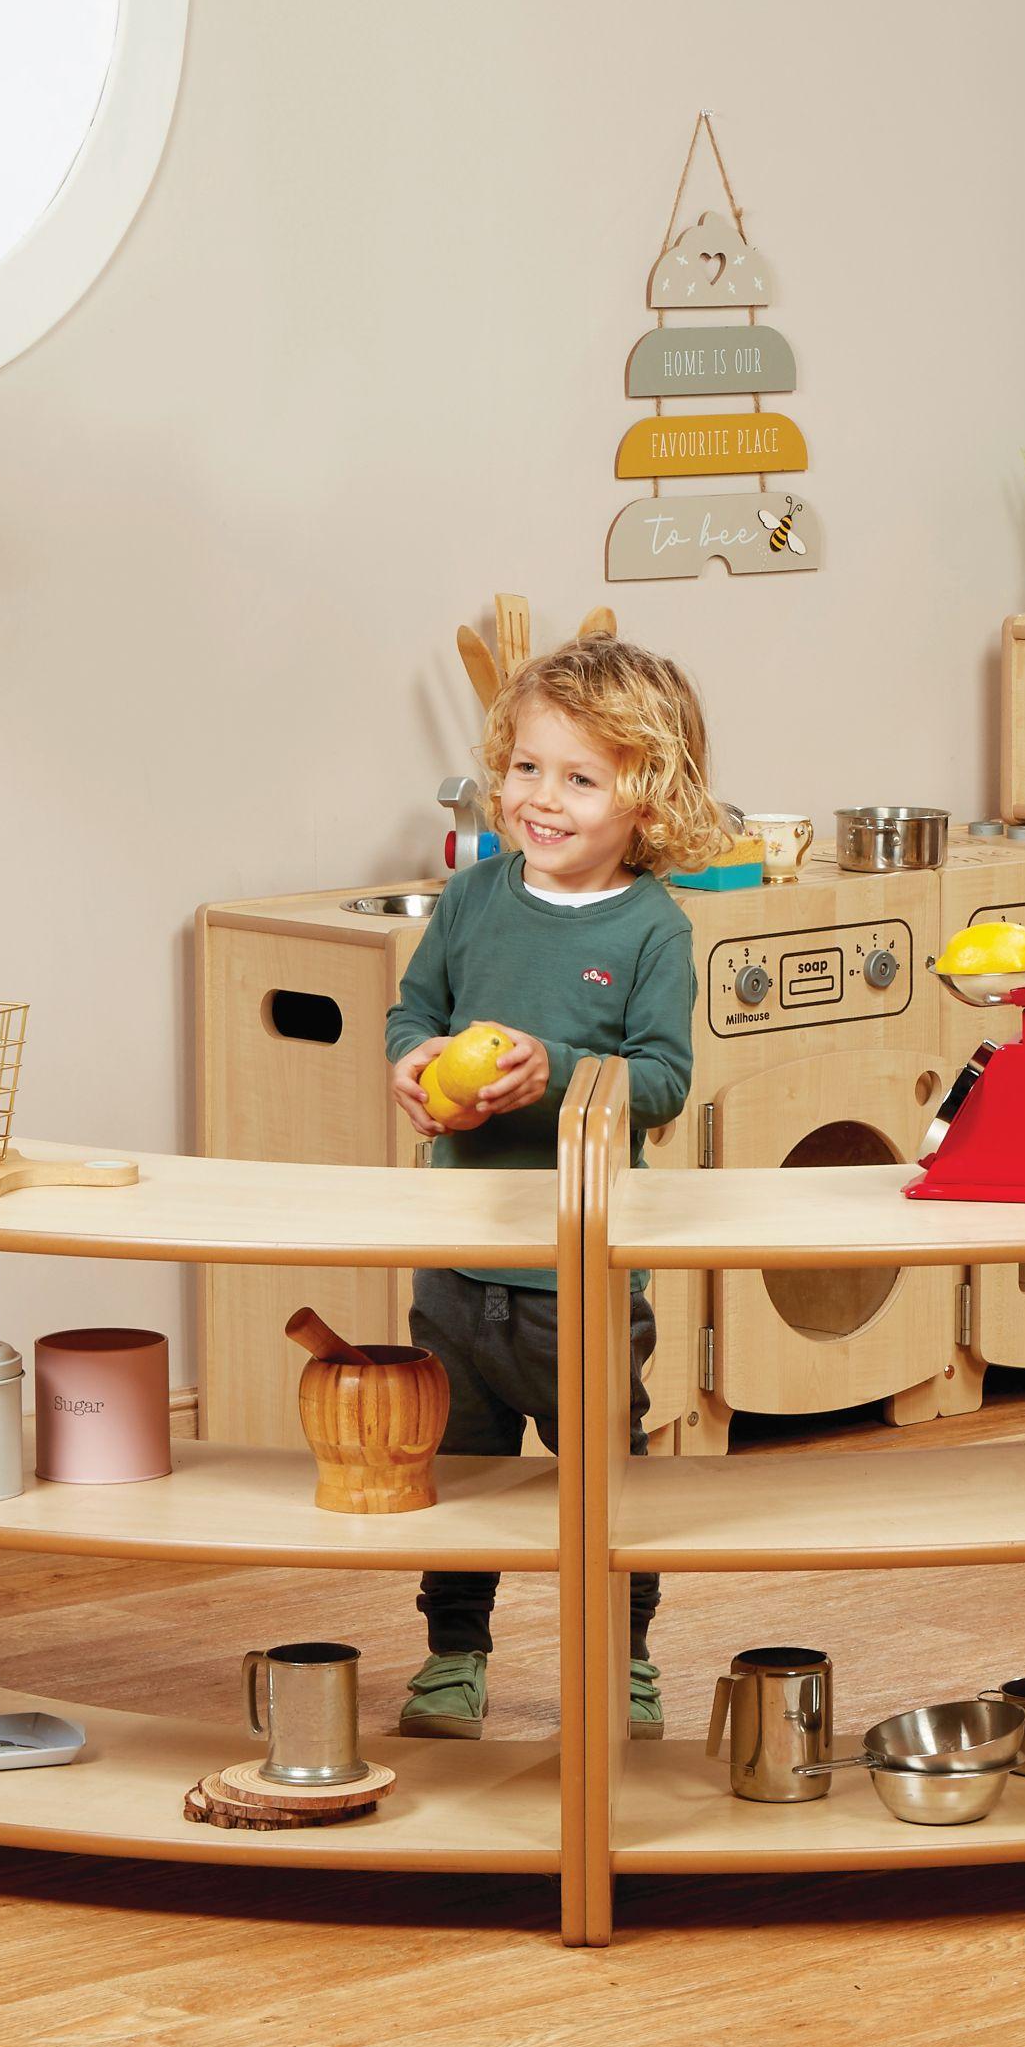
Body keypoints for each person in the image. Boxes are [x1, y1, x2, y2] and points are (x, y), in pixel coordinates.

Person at [382, 635, 726, 1738]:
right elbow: (414, 1011)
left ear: (647, 799)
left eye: (580, 778)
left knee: (605, 1478)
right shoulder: (471, 897)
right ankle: (453, 1656)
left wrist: (558, 1071)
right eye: (528, 767)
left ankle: (622, 1660)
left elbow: (662, 1080)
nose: (542, 797)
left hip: (580, 1268)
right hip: (459, 1258)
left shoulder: (653, 927)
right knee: (460, 1474)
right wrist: (413, 1062)